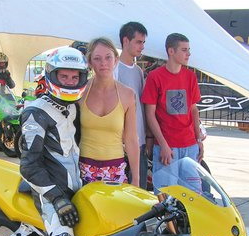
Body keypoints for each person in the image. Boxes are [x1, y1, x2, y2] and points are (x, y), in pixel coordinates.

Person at [19, 46, 89, 236]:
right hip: (48, 191)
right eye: (65, 76)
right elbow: (28, 166)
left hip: (77, 187)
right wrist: (58, 199)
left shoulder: (72, 107)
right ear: (52, 76)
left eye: (75, 77)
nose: (71, 82)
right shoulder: (36, 112)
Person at [142, 33, 205, 190]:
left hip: (190, 145)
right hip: (167, 146)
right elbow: (150, 114)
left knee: (194, 193)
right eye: (184, 50)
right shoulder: (155, 77)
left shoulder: (190, 76)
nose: (188, 54)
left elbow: (194, 110)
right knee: (166, 194)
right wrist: (163, 144)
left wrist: (198, 139)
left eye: (188, 50)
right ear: (171, 51)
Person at [79, 38, 139, 185]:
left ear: (116, 60)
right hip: (83, 169)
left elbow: (131, 139)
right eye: (97, 58)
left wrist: (136, 179)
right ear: (90, 62)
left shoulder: (127, 95)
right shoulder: (80, 92)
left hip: (116, 170)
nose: (103, 63)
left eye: (108, 57)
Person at [115, 21, 149, 188]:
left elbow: (141, 107)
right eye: (138, 42)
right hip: (121, 145)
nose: (142, 47)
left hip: (139, 142)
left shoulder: (138, 71)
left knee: (139, 191)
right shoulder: (114, 69)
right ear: (125, 41)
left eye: (143, 42)